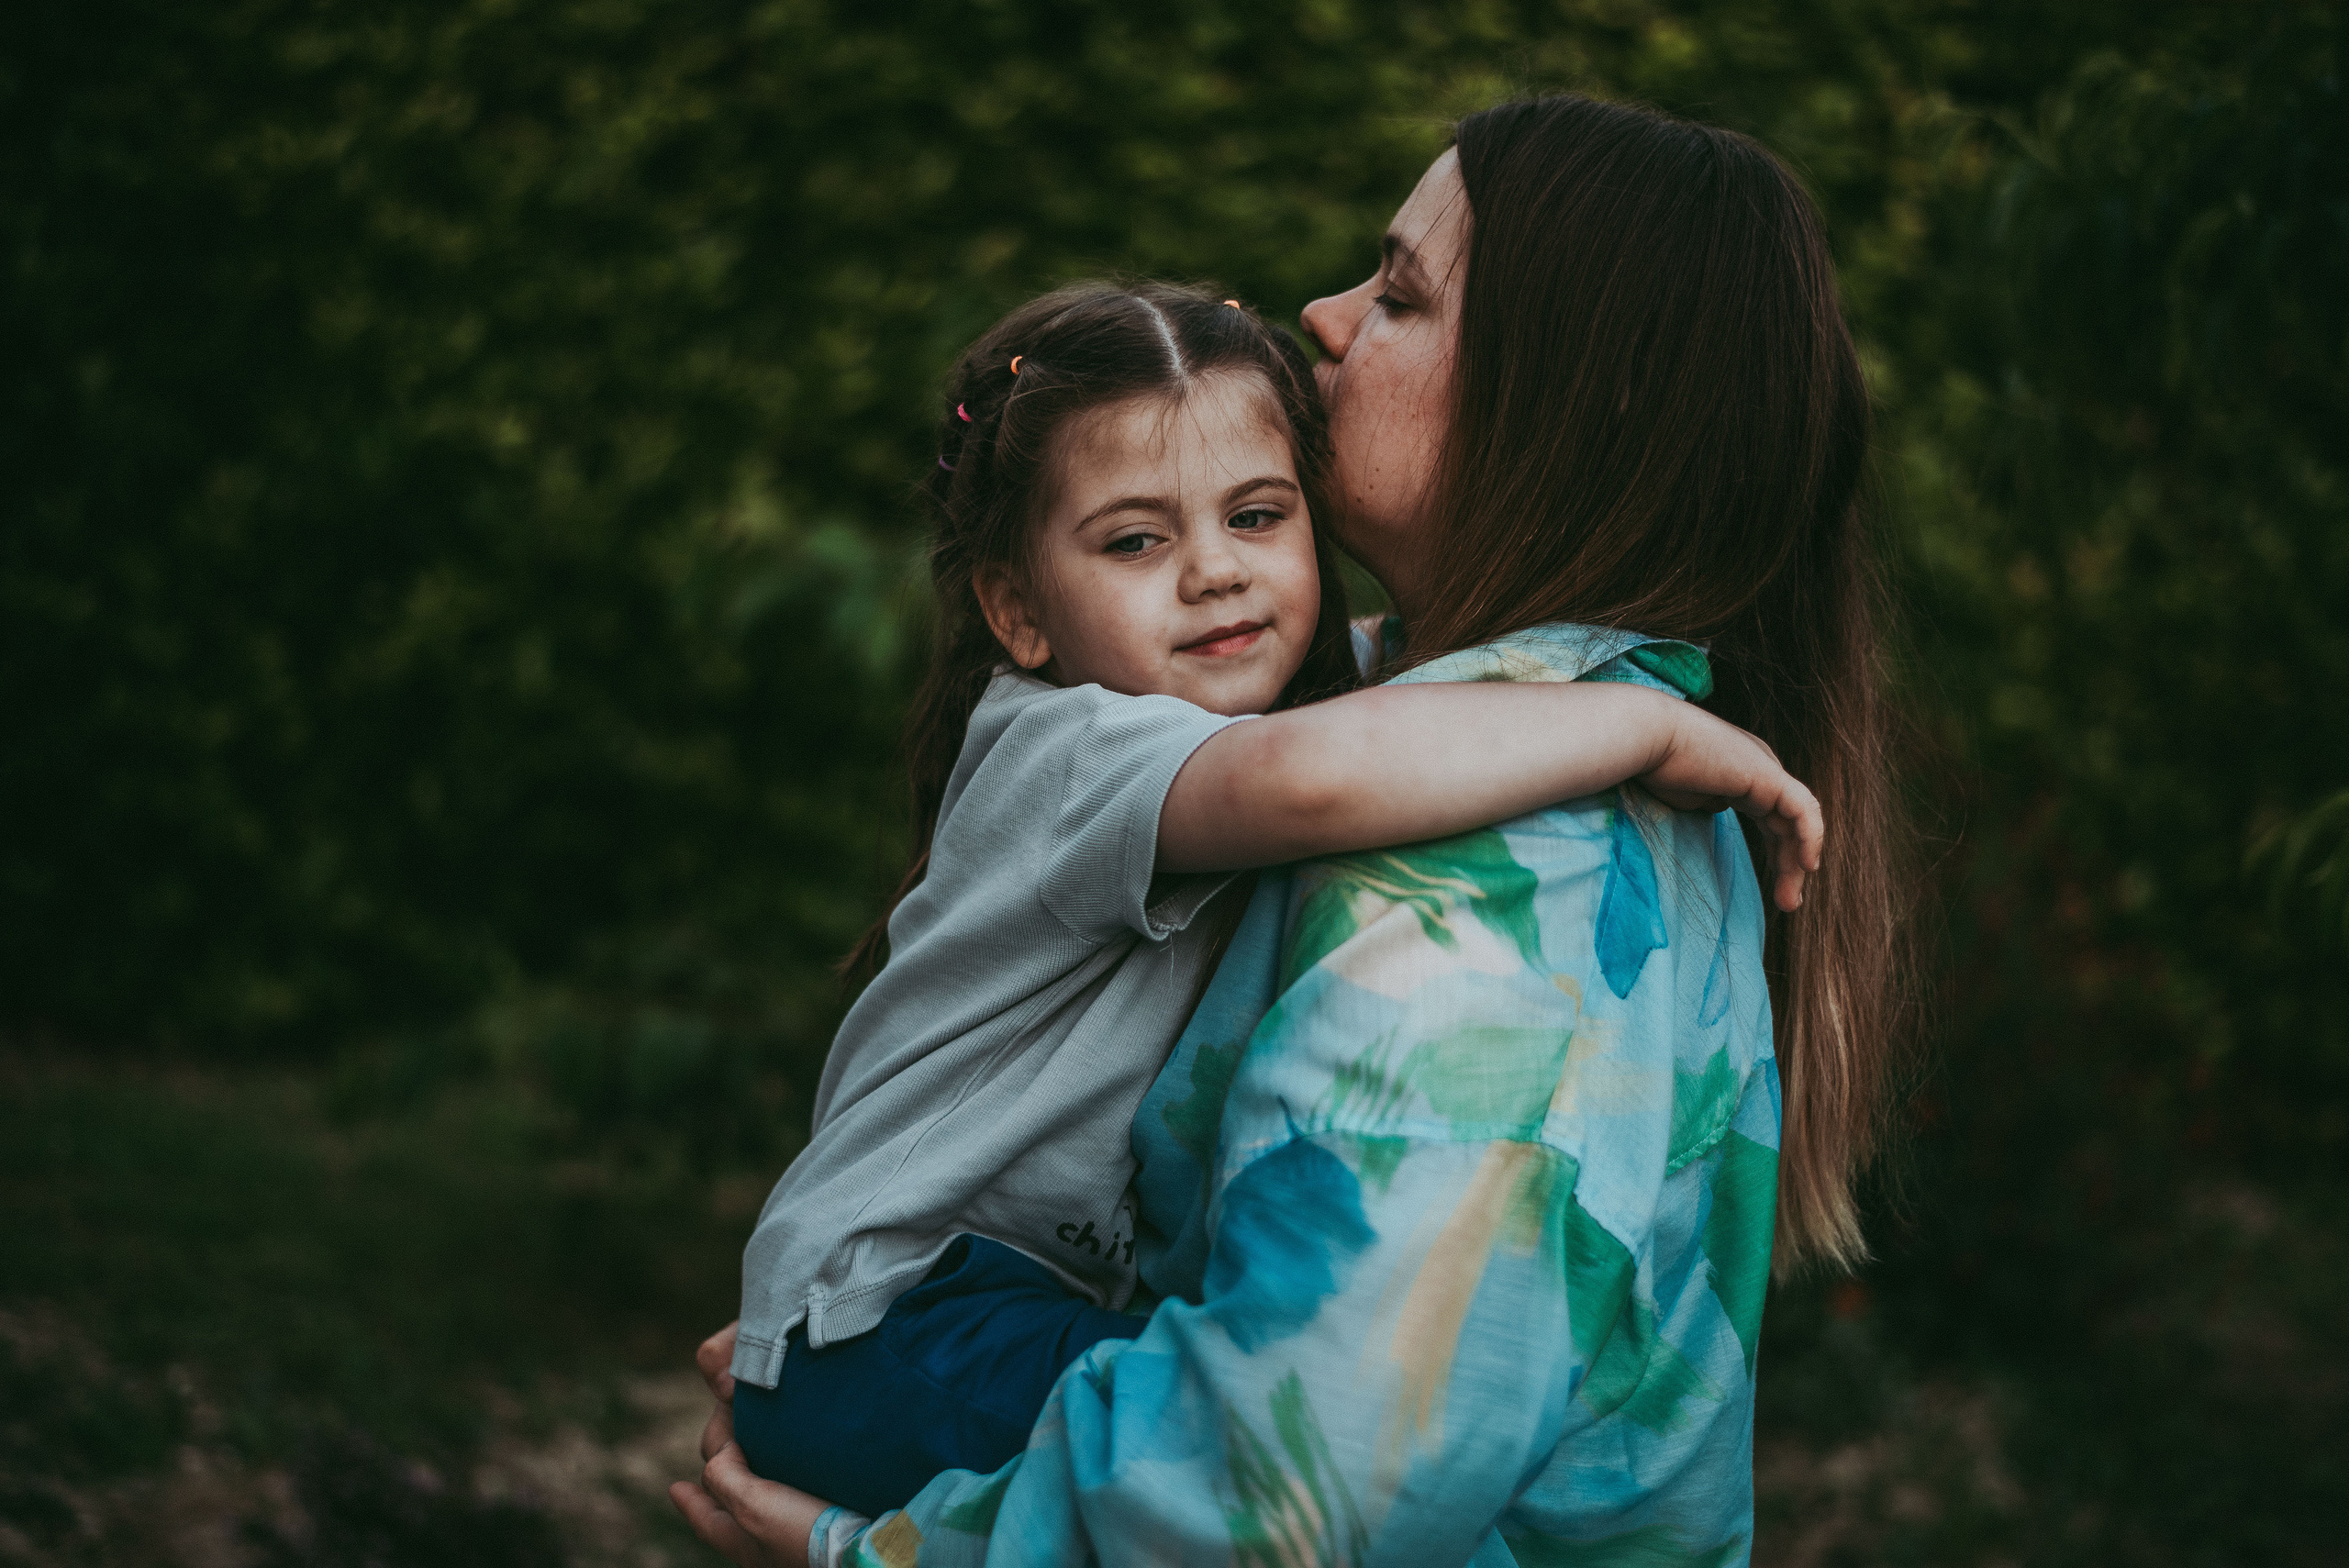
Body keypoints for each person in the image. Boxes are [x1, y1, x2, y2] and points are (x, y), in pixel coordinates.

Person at [676, 92, 1909, 1568]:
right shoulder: (1503, 747)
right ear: (1020, 603)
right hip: (936, 1300)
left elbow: (1265, 1499)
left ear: (1571, 399)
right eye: (1138, 538)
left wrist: (863, 1553)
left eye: (1399, 293)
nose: (1320, 318)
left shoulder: (1499, 893)